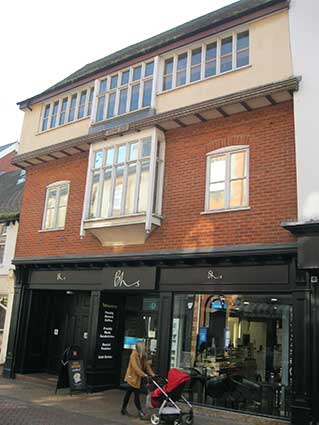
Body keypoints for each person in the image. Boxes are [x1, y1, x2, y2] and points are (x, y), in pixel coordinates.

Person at [121, 340, 154, 419]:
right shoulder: (134, 355)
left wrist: (152, 373)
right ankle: (140, 411)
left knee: (129, 394)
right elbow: (135, 367)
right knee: (135, 394)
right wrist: (144, 374)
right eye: (144, 346)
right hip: (132, 378)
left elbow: (146, 366)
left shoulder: (143, 356)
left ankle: (123, 409)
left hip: (138, 379)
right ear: (141, 347)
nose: (146, 347)